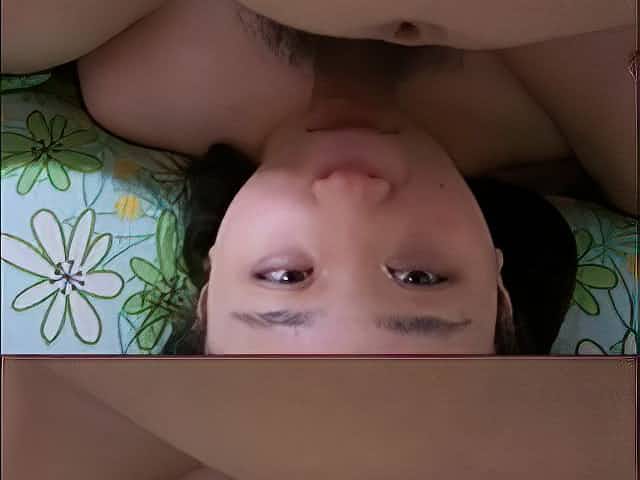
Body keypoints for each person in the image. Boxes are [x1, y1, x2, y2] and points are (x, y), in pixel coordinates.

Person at [2, 0, 636, 355]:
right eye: (420, 277)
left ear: (209, 285)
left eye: (285, 277)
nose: (350, 192)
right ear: (501, 292)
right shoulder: (613, 125)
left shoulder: (144, 83)